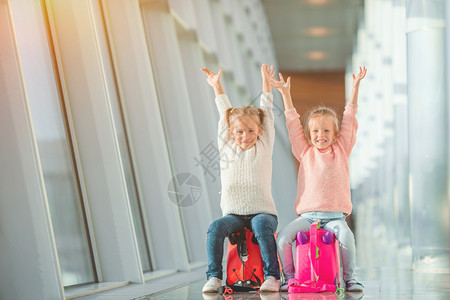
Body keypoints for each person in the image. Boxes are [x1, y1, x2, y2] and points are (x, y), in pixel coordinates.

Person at [270, 66, 367, 292]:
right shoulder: (304, 152)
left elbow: (349, 120)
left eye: (326, 131)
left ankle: (350, 278)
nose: (320, 136)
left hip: (335, 217)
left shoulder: (341, 149)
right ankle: (291, 277)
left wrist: (355, 88)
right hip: (307, 217)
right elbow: (293, 125)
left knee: (346, 237)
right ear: (309, 134)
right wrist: (285, 95)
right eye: (315, 131)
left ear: (335, 135)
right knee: (284, 238)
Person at [200, 65, 281, 293]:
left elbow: (267, 112)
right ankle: (214, 277)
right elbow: (224, 114)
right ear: (231, 133)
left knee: (261, 225)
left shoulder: (263, 147)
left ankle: (272, 276)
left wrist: (266, 84)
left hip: (263, 212)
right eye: (239, 132)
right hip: (233, 214)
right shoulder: (226, 146)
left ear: (259, 132)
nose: (245, 136)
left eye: (251, 132)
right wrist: (217, 87)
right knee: (215, 228)